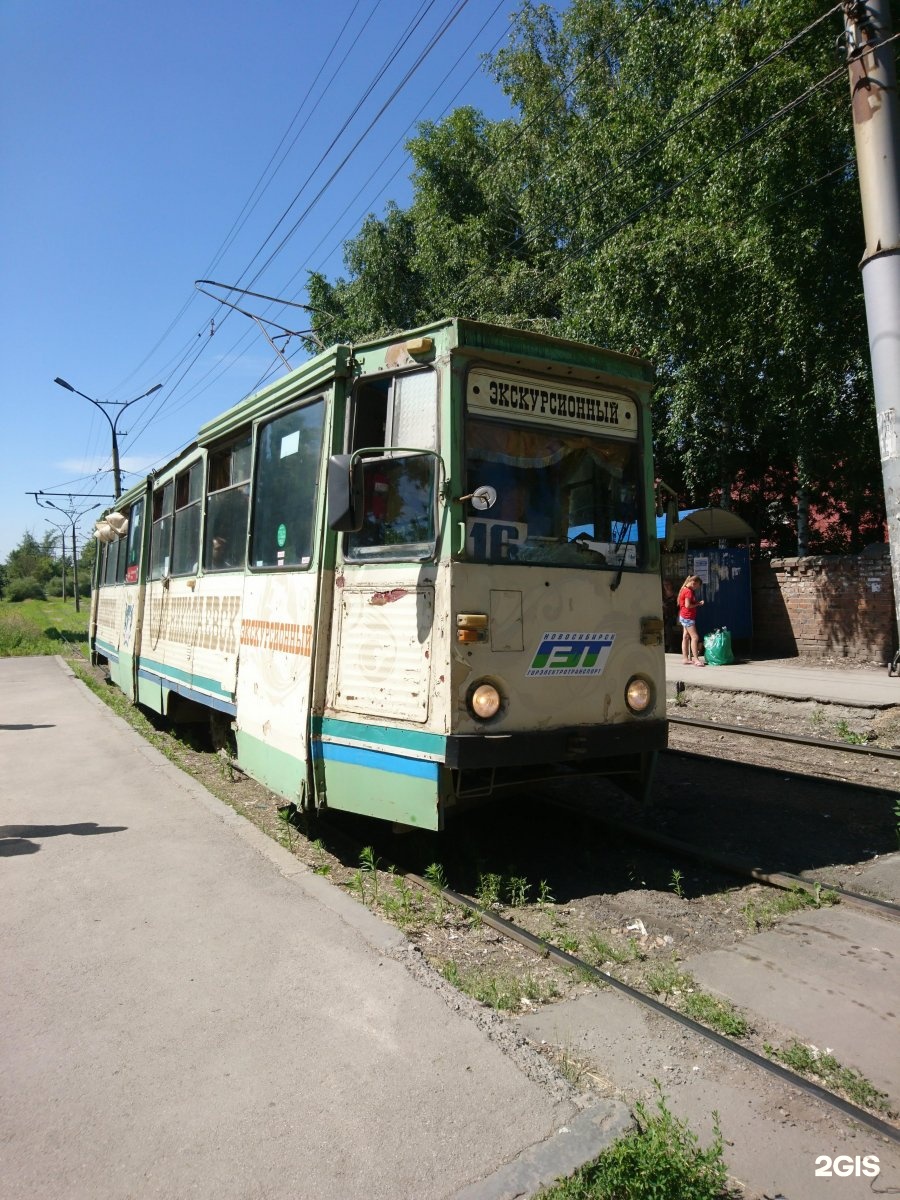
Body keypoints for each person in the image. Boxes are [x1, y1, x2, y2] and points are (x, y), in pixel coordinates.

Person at [677, 573, 706, 665]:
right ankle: (696, 660)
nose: (696, 588)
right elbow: (688, 605)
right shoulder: (688, 591)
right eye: (697, 586)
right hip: (688, 617)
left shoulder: (684, 589)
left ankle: (685, 658)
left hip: (683, 616)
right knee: (695, 637)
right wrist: (698, 604)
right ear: (694, 583)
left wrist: (696, 602)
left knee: (685, 637)